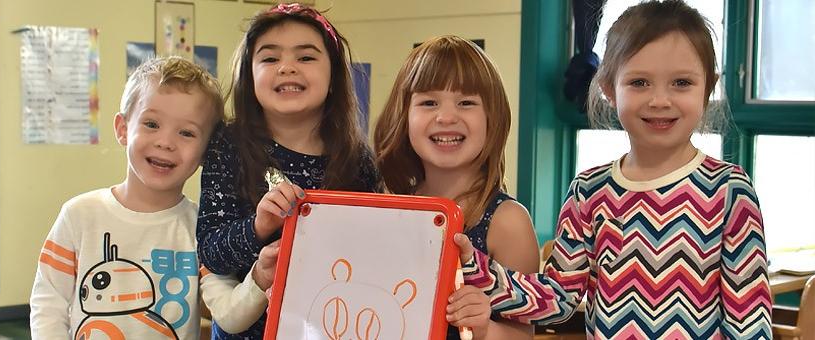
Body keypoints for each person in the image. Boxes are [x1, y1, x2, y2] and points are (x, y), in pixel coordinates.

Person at [456, 1, 772, 339]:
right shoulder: (588, 190)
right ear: (608, 88)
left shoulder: (728, 188)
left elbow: (749, 317)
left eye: (681, 83)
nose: (659, 100)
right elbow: (559, 297)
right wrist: (476, 269)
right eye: (639, 82)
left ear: (708, 86)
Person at [29, 56, 275, 339]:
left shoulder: (202, 230)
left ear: (208, 152)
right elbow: (49, 304)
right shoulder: (79, 215)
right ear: (123, 129)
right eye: (151, 124)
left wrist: (259, 278)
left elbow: (230, 316)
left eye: (186, 132)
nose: (166, 142)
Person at [195, 3, 379, 338]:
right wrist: (259, 226)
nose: (287, 68)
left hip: (333, 325)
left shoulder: (357, 158)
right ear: (249, 76)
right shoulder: (229, 144)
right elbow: (210, 252)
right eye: (269, 58)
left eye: (306, 57)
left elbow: (370, 254)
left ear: (334, 75)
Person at [373, 35, 540, 340]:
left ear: (493, 118)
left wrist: (485, 329)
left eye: (466, 103)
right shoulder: (390, 206)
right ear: (404, 116)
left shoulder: (507, 222)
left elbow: (523, 335)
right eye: (428, 102)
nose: (446, 117)